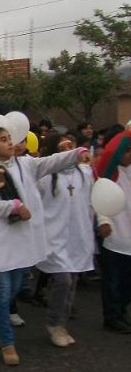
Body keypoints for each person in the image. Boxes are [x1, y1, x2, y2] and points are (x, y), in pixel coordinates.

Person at [0, 126, 88, 365]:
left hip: (24, 240)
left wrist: (76, 153)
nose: (9, 143)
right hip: (1, 240)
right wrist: (13, 207)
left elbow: (52, 162)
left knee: (15, 289)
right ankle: (7, 342)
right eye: (3, 140)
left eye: (10, 139)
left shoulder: (27, 164)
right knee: (4, 293)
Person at [35, 133, 95, 346]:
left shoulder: (85, 174)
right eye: (64, 147)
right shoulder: (45, 177)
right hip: (54, 236)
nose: (70, 150)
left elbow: (92, 201)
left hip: (77, 236)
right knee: (63, 280)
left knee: (73, 281)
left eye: (72, 145)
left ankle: (62, 323)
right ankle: (53, 324)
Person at [94, 129, 131, 334]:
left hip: (130, 237)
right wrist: (103, 220)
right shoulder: (111, 172)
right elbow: (101, 196)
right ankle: (112, 316)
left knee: (127, 281)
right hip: (114, 236)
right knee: (112, 281)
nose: (129, 155)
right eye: (126, 151)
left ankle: (121, 310)